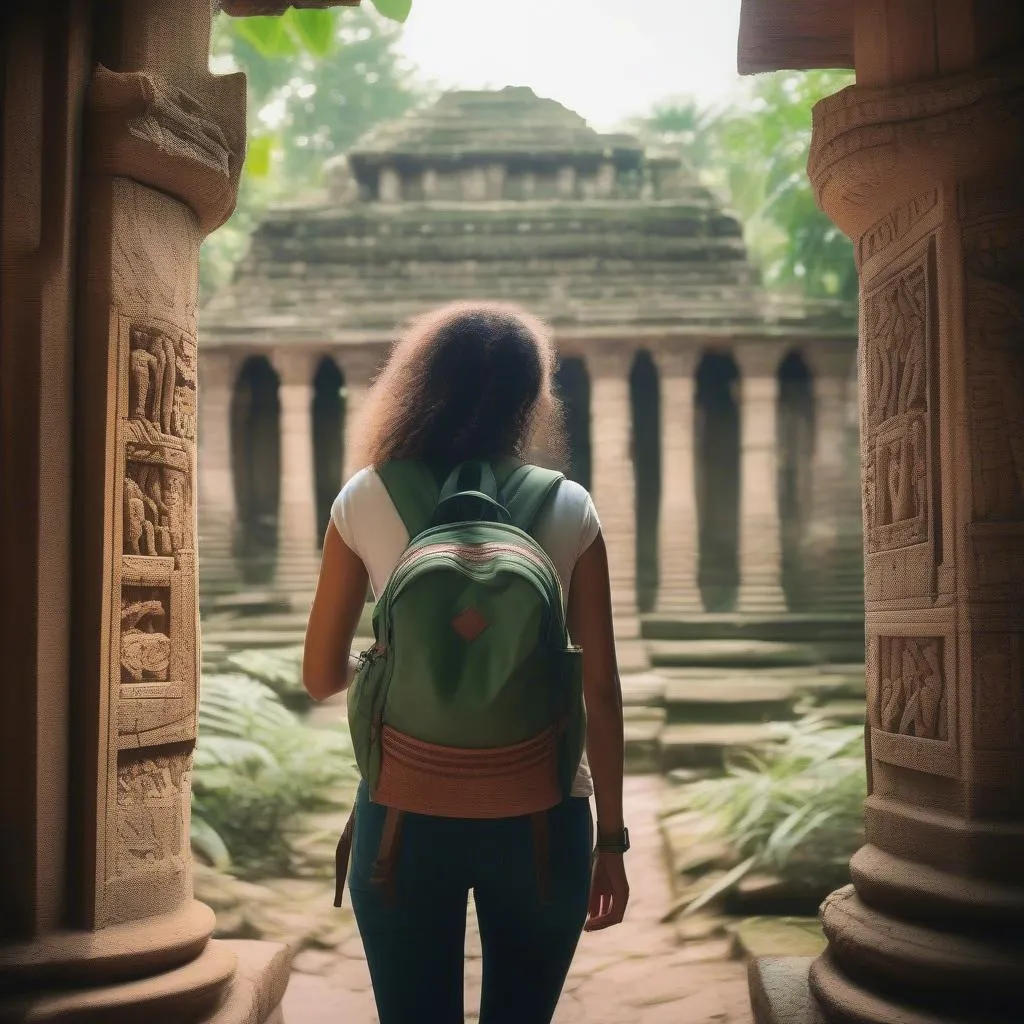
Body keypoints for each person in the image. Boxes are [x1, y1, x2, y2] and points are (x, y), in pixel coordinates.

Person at [302, 301, 629, 1024]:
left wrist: (407, 668)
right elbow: (600, 692)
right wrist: (612, 842)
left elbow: (321, 676)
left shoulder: (366, 496)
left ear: (418, 384)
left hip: (402, 819)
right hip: (545, 817)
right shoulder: (570, 507)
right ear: (530, 399)